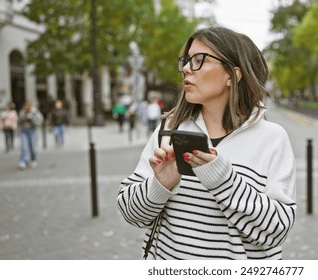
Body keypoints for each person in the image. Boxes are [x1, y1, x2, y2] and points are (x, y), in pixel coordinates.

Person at [117, 27, 296, 260]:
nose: (186, 69)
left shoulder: (272, 139)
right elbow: (131, 213)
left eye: (199, 60)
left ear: (232, 75)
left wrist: (224, 181)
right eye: (186, 60)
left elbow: (277, 232)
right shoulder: (170, 128)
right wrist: (160, 185)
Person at [18, 101, 43, 169]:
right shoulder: (22, 112)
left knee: (33, 146)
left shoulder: (35, 112)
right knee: (24, 146)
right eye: (26, 106)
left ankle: (33, 159)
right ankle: (23, 161)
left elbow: (40, 120)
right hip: (24, 131)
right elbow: (19, 121)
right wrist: (23, 118)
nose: (27, 107)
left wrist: (32, 119)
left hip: (32, 130)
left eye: (29, 106)